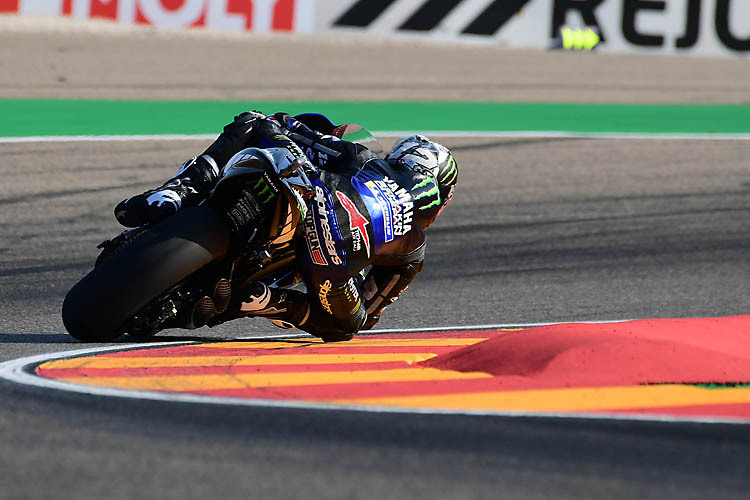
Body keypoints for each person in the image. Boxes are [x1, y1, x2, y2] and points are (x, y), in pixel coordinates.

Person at [114, 112, 458, 341]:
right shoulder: (413, 250)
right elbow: (365, 316)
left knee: (254, 121)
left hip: (318, 210)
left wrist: (282, 127)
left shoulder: (362, 159)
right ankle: (266, 301)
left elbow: (286, 127)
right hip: (329, 267)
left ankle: (179, 190)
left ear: (401, 157)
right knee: (345, 327)